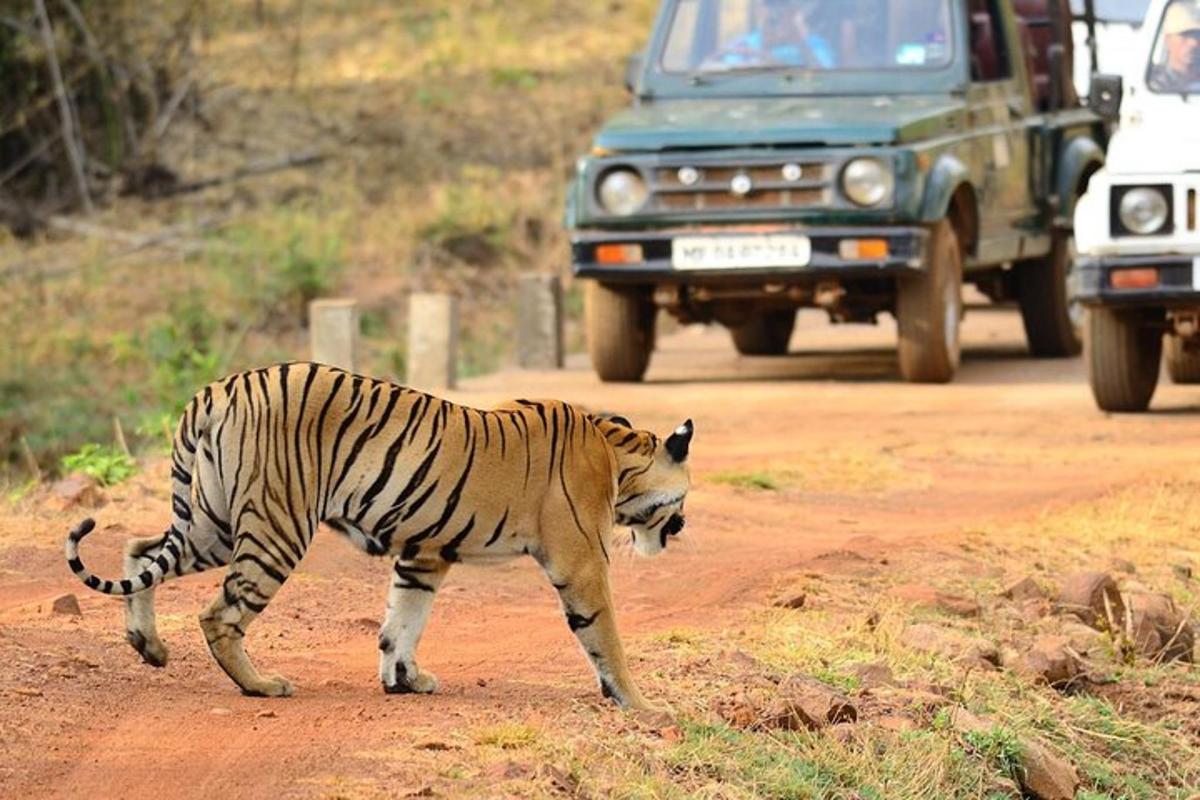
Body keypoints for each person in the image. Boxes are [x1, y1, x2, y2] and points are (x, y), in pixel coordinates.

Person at [711, 0, 835, 69]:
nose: (776, 11)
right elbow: (729, 78)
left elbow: (828, 82)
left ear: (794, 10)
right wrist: (764, 49)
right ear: (758, 10)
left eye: (782, 3)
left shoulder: (815, 46)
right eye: (770, 4)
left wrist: (802, 45)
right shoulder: (741, 46)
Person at [1148, 1, 1200, 92]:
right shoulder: (1153, 84)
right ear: (1168, 39)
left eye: (1198, 35)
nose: (1193, 43)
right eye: (1185, 35)